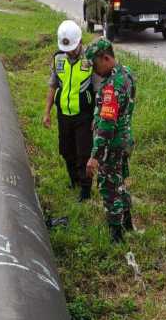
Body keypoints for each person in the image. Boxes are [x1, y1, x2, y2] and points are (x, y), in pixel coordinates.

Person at [84, 38, 135, 243]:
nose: (94, 71)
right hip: (124, 141)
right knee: (120, 183)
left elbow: (107, 125)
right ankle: (128, 224)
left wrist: (95, 156)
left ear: (106, 58)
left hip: (111, 146)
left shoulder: (111, 87)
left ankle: (117, 237)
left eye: (95, 65)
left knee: (109, 188)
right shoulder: (126, 74)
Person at [43, 20, 96, 202]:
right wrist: (47, 112)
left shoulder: (90, 59)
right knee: (66, 150)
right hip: (64, 115)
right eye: (66, 49)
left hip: (84, 115)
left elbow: (99, 90)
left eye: (72, 48)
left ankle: (85, 189)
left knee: (83, 153)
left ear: (80, 41)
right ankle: (74, 180)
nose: (69, 52)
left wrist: (96, 117)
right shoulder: (58, 59)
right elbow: (53, 85)